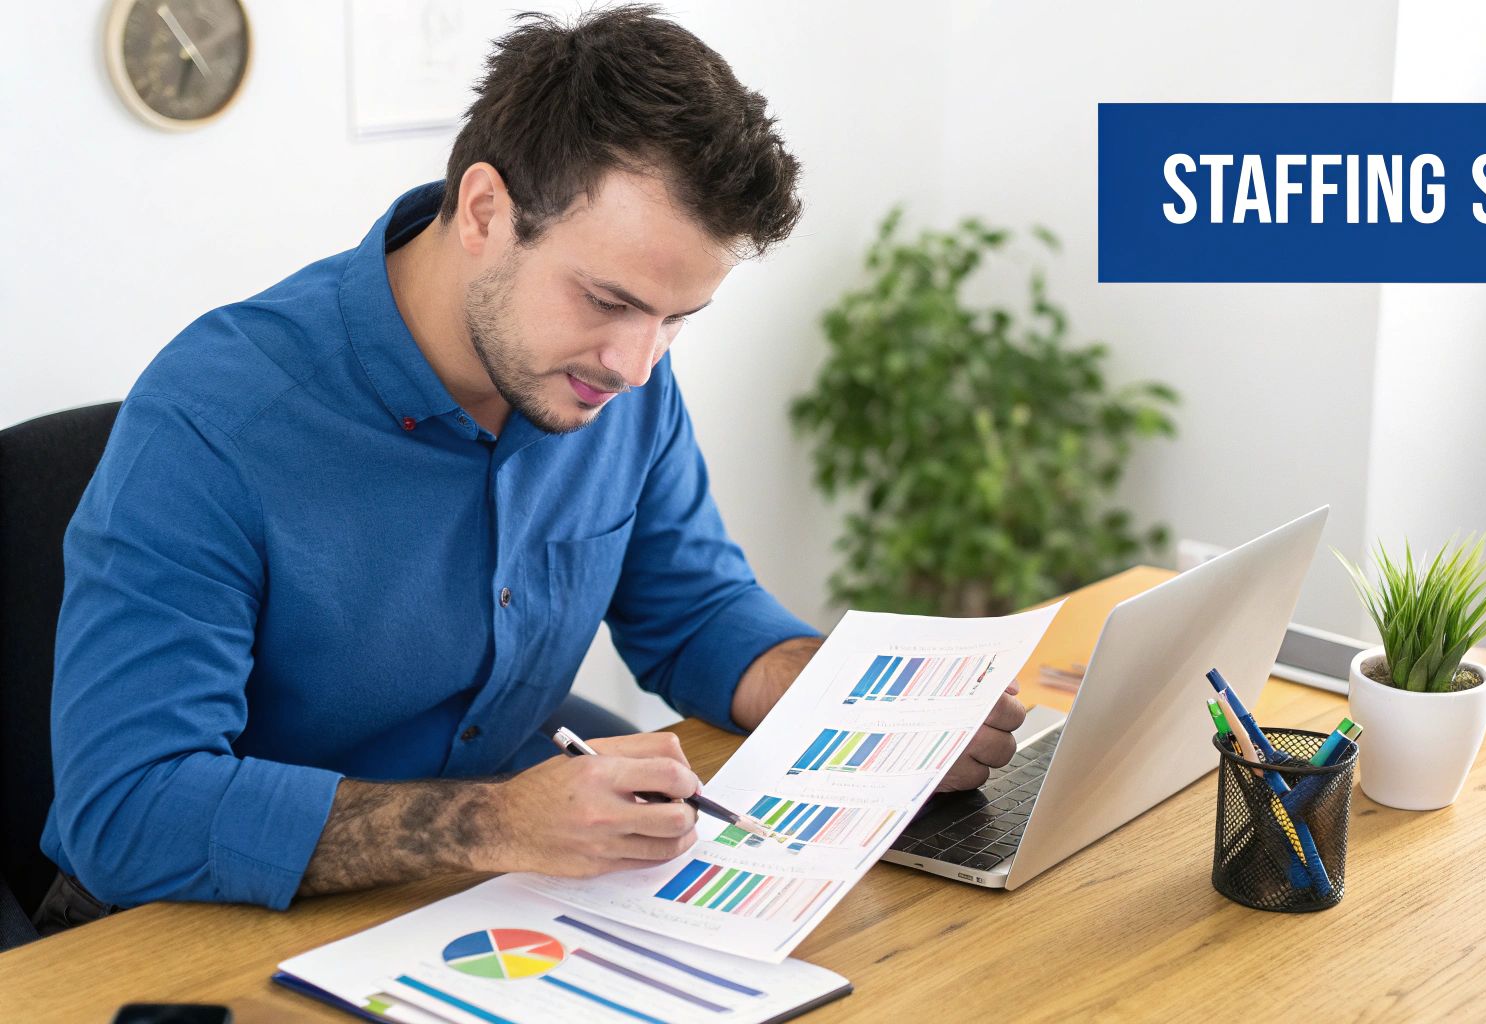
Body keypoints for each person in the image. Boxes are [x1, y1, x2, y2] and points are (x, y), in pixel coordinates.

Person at [35, 5, 1026, 932]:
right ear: (482, 211)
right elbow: (129, 810)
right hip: (196, 928)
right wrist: (496, 822)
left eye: (676, 320)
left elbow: (693, 612)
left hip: (482, 908)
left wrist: (871, 707)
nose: (636, 364)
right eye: (607, 299)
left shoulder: (618, 384)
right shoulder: (213, 422)